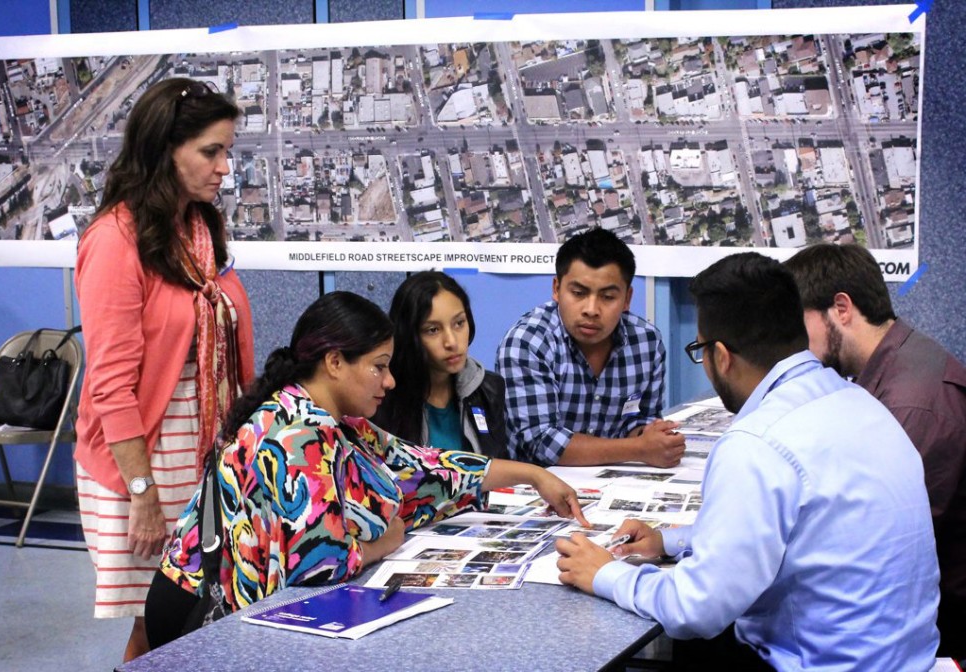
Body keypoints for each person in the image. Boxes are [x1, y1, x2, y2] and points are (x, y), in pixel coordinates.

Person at [556, 252, 940, 671]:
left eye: (699, 350)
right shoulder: (858, 402)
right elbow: (798, 526)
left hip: (820, 664)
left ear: (721, 356)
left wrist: (606, 573)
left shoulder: (757, 442)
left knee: (695, 640)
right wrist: (670, 541)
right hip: (906, 660)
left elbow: (695, 609)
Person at [145, 291, 588, 649]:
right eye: (378, 367)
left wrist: (532, 474)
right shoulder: (296, 433)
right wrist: (385, 542)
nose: (390, 381)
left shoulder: (341, 424)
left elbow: (423, 466)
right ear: (335, 362)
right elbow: (320, 561)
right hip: (200, 611)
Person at [74, 77, 255, 662]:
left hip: (205, 455)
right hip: (144, 464)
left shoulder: (198, 233)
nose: (224, 167)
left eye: (227, 150)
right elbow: (110, 384)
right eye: (211, 151)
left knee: (200, 616)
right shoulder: (115, 241)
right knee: (159, 625)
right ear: (164, 149)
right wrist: (143, 494)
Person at [785, 243, 966, 659]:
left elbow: (871, 538)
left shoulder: (912, 404)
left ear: (842, 309)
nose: (795, 345)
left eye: (799, 325)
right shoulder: (892, 364)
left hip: (926, 621)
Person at [496, 227, 684, 467]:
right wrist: (640, 448)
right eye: (578, 293)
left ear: (627, 299)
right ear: (556, 289)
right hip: (538, 486)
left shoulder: (646, 341)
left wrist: (654, 438)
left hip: (615, 482)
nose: (591, 309)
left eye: (607, 297)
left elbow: (641, 419)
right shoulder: (528, 342)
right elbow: (540, 443)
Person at [375, 271, 508, 458]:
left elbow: (498, 467)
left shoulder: (488, 389)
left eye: (459, 323)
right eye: (433, 330)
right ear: (409, 335)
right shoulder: (381, 396)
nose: (451, 342)